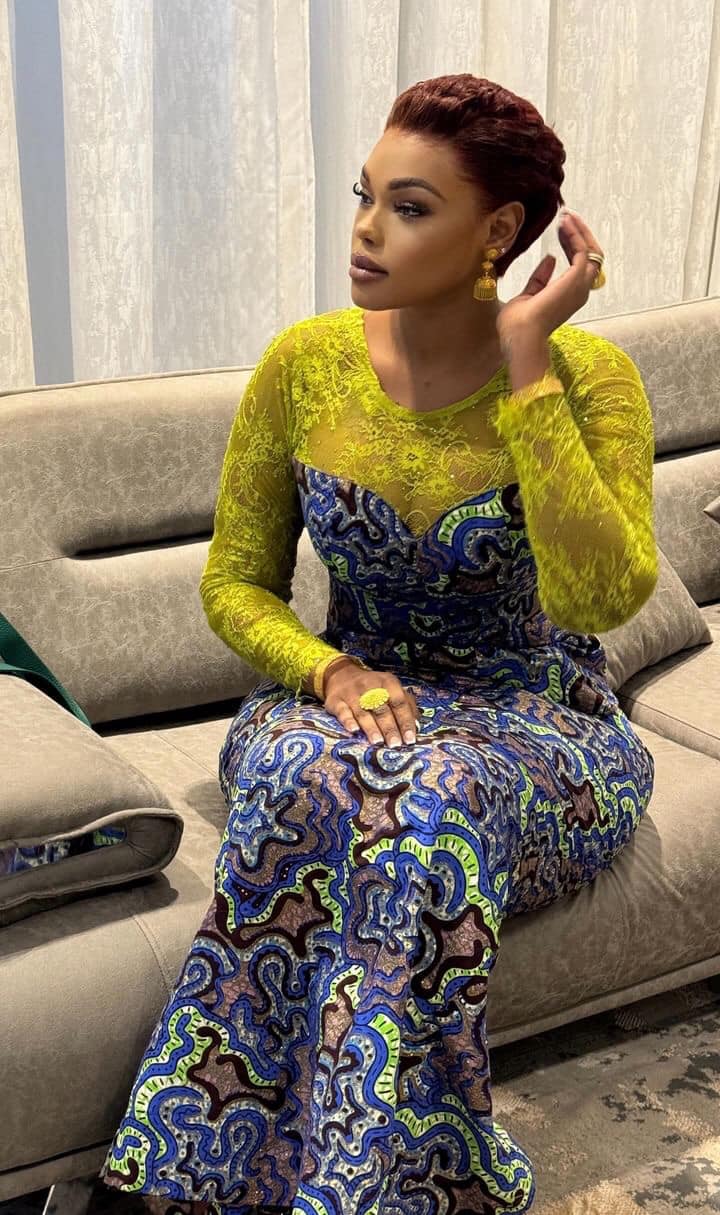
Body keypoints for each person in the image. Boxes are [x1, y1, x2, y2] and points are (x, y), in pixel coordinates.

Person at [99, 73, 657, 1215]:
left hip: (539, 723)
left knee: (422, 806)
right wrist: (330, 670)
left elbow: (600, 598)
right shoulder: (303, 366)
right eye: (365, 196)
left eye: (409, 207)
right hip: (342, 699)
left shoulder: (591, 379)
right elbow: (234, 583)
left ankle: (289, 1186)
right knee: (306, 776)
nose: (364, 229)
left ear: (498, 232)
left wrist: (528, 363)